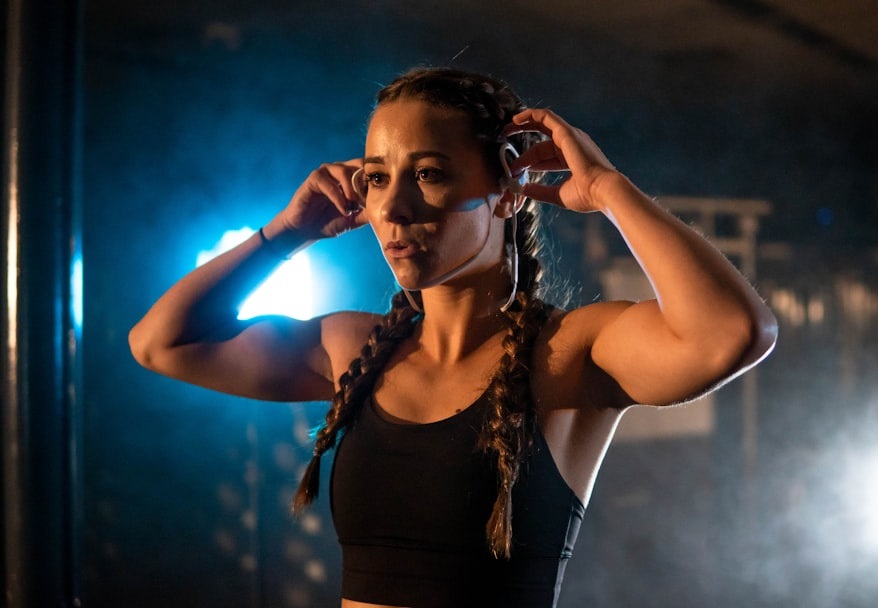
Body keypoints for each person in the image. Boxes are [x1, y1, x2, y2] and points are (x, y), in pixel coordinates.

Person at [129, 66, 777, 608]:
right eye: (377, 176)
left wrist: (607, 190)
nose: (392, 207)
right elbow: (162, 343)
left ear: (506, 191)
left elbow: (731, 333)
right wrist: (287, 231)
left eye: (430, 173)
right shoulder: (353, 349)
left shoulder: (572, 354)